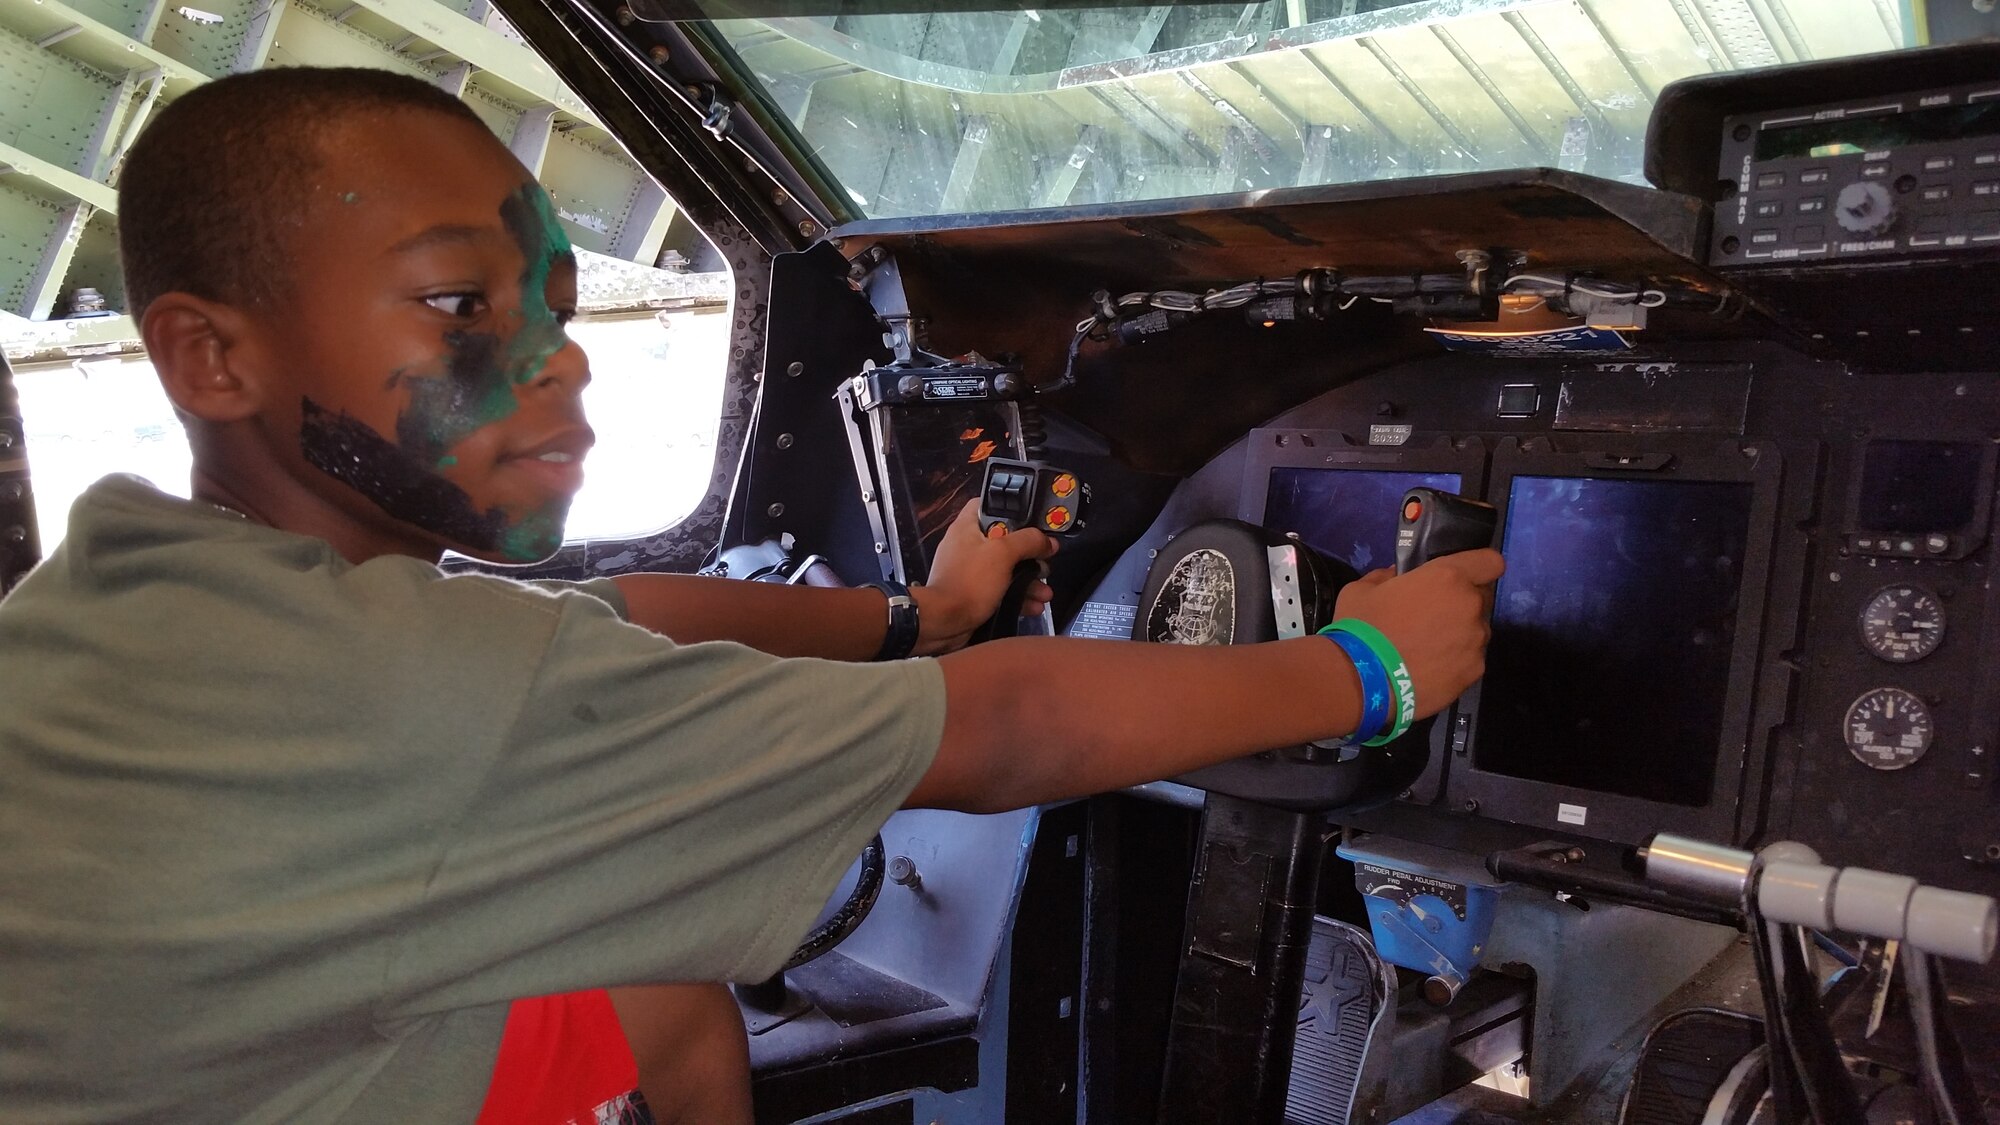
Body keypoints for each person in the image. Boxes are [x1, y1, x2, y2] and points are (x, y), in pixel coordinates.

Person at [0, 67, 1502, 1123]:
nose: (560, 360)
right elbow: (1005, 734)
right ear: (211, 356)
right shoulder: (412, 698)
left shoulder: (147, 604)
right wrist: (1369, 667)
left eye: (561, 310)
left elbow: (624, 624)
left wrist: (922, 615)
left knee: (660, 976)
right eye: (463, 305)